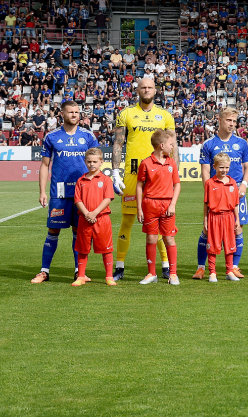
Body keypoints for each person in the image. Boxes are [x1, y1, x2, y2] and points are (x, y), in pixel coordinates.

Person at [111, 77, 176, 281]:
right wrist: (115, 171)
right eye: (143, 87)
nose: (146, 90)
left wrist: (176, 174)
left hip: (160, 176)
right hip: (133, 174)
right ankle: (120, 265)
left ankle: (165, 265)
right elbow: (118, 143)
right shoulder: (126, 114)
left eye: (150, 87)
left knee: (160, 222)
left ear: (155, 90)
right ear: (137, 90)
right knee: (127, 220)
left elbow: (173, 146)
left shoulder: (165, 115)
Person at [32, 101, 100, 284]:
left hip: (82, 194)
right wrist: (42, 191)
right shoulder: (52, 136)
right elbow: (45, 165)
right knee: (53, 230)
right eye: (71, 112)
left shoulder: (88, 136)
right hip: (59, 192)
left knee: (79, 232)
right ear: (62, 114)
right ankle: (44, 271)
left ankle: (80, 271)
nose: (74, 115)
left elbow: (97, 164)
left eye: (77, 112)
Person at [193, 107, 248, 280]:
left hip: (237, 191)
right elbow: (205, 170)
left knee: (237, 228)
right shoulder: (209, 144)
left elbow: (247, 167)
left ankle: (233, 267)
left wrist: (244, 186)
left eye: (234, 121)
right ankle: (201, 267)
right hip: (216, 192)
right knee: (207, 230)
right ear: (219, 120)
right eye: (229, 120)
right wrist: (209, 190)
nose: (232, 124)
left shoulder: (241, 143)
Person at [135, 129, 181, 285]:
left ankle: (173, 274)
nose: (172, 147)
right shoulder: (146, 163)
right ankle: (151, 273)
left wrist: (173, 204)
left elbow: (177, 185)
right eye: (170, 144)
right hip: (150, 204)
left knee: (169, 238)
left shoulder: (171, 162)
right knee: (151, 237)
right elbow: (139, 185)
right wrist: (139, 208)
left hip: (167, 204)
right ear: (162, 145)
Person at [71, 148, 116, 287]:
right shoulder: (81, 180)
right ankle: (81, 276)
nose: (92, 164)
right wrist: (86, 214)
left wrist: (94, 213)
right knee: (82, 248)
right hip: (84, 219)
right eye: (89, 161)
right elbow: (77, 200)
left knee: (106, 249)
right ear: (85, 162)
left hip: (101, 219)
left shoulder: (106, 180)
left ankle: (109, 276)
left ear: (101, 162)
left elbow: (108, 198)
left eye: (95, 162)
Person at [202, 152, 243, 282]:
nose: (224, 170)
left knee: (230, 245)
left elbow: (236, 203)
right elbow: (206, 204)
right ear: (214, 167)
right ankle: (212, 272)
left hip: (229, 217)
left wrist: (237, 219)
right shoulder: (209, 183)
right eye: (221, 167)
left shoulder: (232, 182)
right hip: (214, 217)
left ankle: (229, 271)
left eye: (226, 167)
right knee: (213, 245)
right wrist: (205, 220)